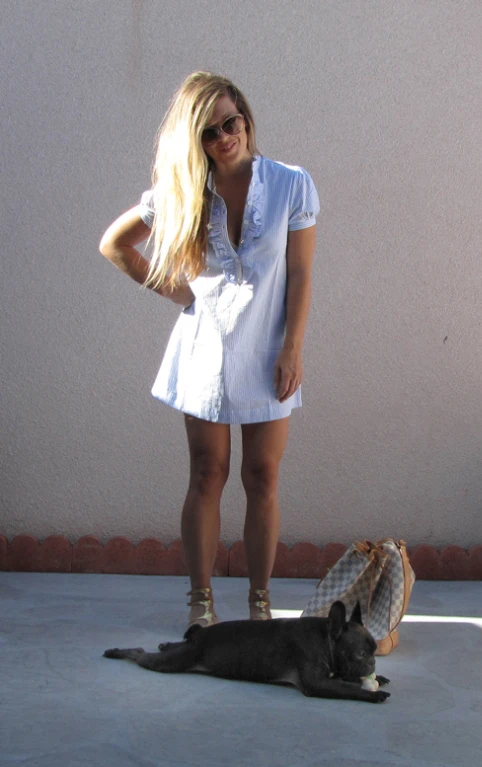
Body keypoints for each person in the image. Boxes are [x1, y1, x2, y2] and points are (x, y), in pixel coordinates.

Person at [99, 71, 319, 627]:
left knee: (262, 477)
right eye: (210, 131)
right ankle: (201, 607)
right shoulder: (181, 193)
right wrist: (175, 291)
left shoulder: (292, 184)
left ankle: (260, 607)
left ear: (245, 117)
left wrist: (292, 348)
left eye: (231, 121)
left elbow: (299, 272)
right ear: (194, 141)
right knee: (207, 474)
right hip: (207, 351)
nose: (225, 136)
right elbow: (115, 244)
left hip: (271, 351)